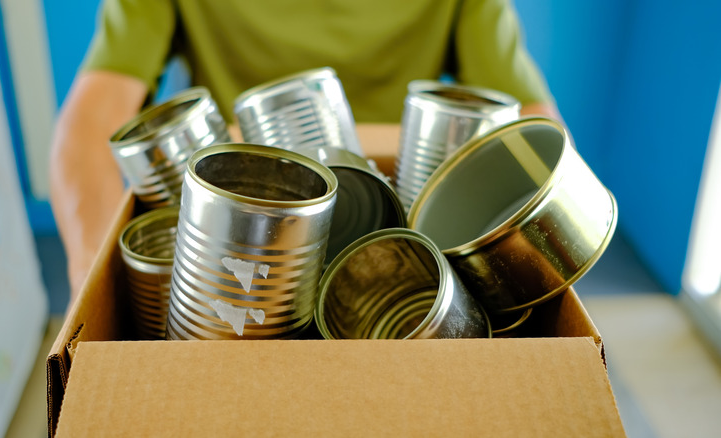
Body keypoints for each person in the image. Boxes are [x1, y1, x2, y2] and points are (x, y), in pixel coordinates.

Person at [50, 0, 562, 304]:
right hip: (237, 234)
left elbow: (537, 135)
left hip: (400, 220)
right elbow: (90, 126)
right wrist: (91, 287)